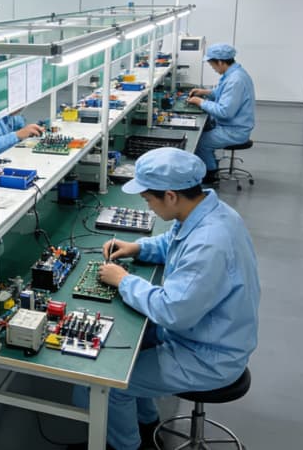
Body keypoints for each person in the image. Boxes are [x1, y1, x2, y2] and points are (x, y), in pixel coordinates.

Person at [70, 147, 259, 450]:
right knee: (133, 344)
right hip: (204, 333)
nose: (148, 206)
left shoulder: (209, 244)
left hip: (208, 355)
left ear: (170, 196)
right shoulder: (207, 211)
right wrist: (137, 248)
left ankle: (127, 446)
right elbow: (173, 241)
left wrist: (123, 280)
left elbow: (172, 311)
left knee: (105, 384)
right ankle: (146, 423)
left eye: (148, 200)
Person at [186, 43, 255, 183]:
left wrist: (200, 102)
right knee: (203, 133)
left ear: (220, 62)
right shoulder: (234, 73)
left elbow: (225, 112)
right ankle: (209, 164)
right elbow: (222, 93)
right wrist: (205, 92)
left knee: (199, 142)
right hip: (231, 126)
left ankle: (210, 175)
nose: (212, 68)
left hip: (234, 131)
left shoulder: (235, 80)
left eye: (212, 65)